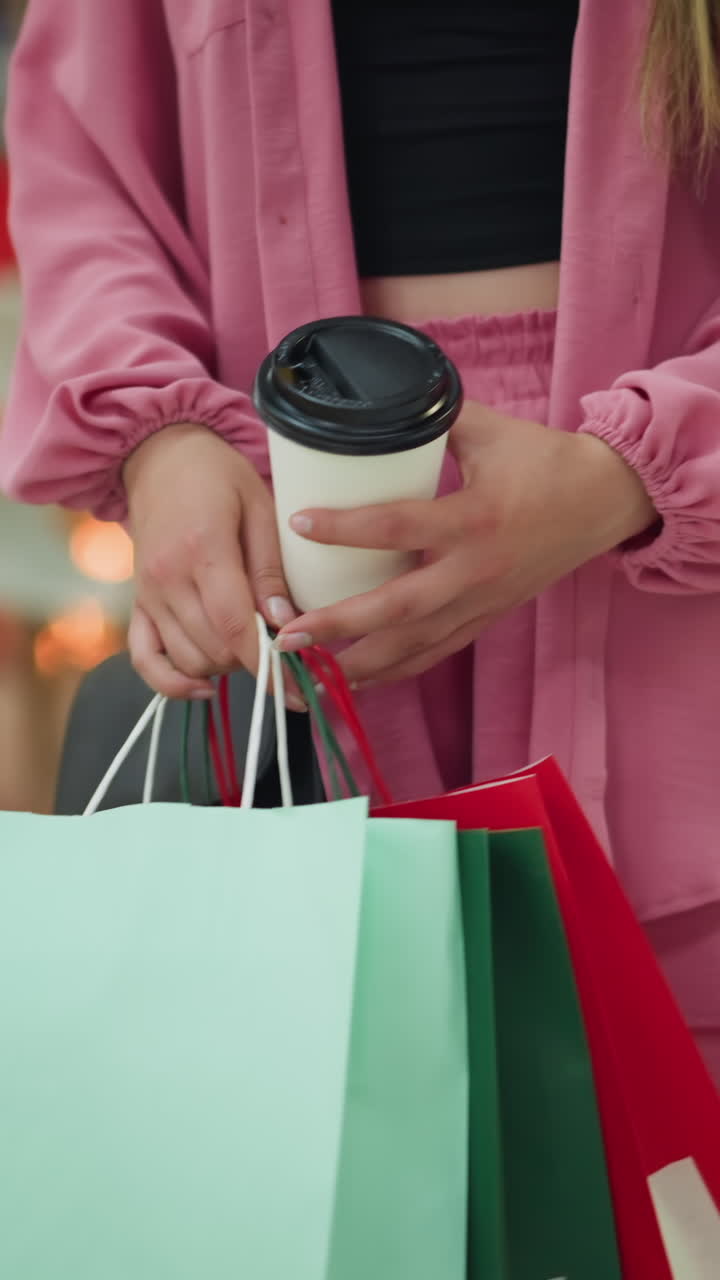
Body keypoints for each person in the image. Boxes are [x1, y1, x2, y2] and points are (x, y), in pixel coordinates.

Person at [2, 0, 720, 1084]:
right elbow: (82, 159)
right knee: (284, 1103)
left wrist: (631, 473)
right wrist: (161, 437)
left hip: (659, 582)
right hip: (279, 513)